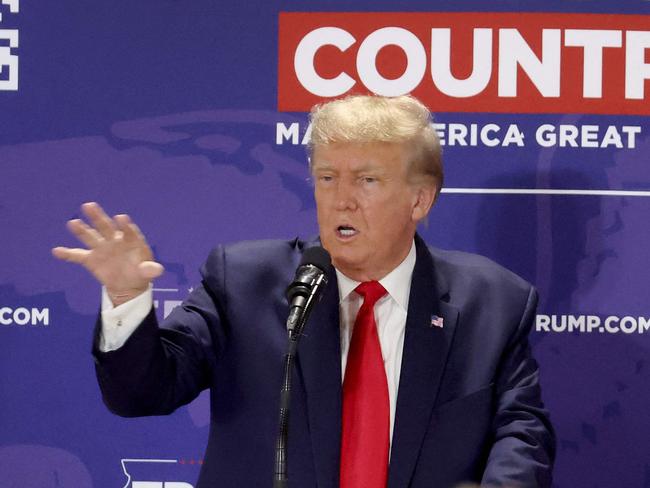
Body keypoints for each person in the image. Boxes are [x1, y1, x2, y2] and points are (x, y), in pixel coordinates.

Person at [52, 94, 555, 488]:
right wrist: (126, 300)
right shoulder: (246, 281)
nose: (342, 201)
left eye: (367, 180)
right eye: (327, 177)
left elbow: (521, 433)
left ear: (419, 199)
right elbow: (143, 392)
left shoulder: (492, 303)